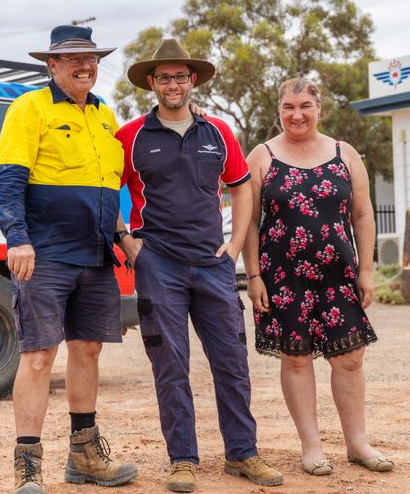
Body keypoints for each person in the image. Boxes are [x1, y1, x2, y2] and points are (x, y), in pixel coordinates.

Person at [115, 39, 283, 493]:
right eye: (164, 77)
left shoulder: (219, 132)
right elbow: (105, 191)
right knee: (171, 366)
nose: (173, 84)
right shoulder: (130, 137)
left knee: (232, 363)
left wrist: (235, 245)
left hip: (213, 265)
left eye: (180, 76)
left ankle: (242, 454)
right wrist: (128, 244)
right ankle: (182, 460)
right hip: (158, 265)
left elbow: (242, 187)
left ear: (192, 80)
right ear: (152, 83)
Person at [0, 25, 137, 493]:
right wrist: (18, 239)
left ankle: (85, 456)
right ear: (52, 65)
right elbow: (7, 180)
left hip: (96, 255)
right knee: (38, 356)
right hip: (45, 254)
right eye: (73, 59)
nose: (85, 66)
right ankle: (28, 465)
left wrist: (123, 237)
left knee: (88, 350)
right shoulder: (30, 107)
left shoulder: (104, 114)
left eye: (91, 58)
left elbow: (105, 187)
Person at [241, 77, 392, 476]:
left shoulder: (345, 153)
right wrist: (253, 276)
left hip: (338, 273)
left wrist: (366, 270)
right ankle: (311, 447)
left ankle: (357, 443)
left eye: (305, 106)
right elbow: (249, 221)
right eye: (288, 107)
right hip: (282, 276)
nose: (297, 115)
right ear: (279, 110)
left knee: (350, 358)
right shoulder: (262, 155)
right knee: (296, 359)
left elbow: (363, 213)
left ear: (319, 108)